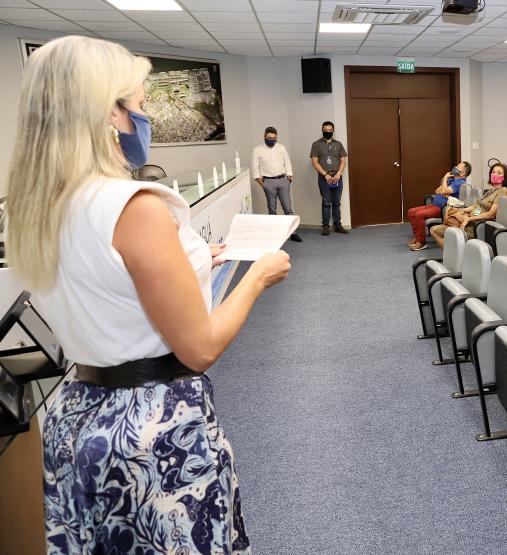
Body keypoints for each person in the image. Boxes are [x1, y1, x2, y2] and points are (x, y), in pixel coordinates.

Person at [5, 36, 291, 554]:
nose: (145, 117)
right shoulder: (133, 206)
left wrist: (203, 258)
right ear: (107, 113)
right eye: (139, 104)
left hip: (80, 415)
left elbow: (114, 287)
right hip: (149, 428)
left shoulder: (42, 206)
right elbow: (199, 348)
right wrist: (257, 277)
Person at [429, 162, 507, 249]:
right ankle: (455, 255)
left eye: (499, 173)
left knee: (438, 231)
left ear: (504, 177)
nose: (495, 174)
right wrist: (463, 210)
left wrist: (469, 218)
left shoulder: (503, 191)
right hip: (469, 221)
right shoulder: (490, 190)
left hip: (475, 227)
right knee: (435, 229)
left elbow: (490, 214)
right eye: (493, 172)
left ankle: (455, 256)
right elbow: (477, 206)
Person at [406, 161, 471, 251]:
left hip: (442, 208)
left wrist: (444, 179)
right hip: (434, 205)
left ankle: (421, 242)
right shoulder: (452, 180)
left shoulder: (460, 183)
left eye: (458, 167)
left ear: (463, 173)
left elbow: (443, 191)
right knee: (411, 212)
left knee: (418, 215)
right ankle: (417, 237)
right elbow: (437, 191)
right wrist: (445, 187)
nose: (455, 167)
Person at [251, 125, 302, 242]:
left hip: (283, 180)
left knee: (288, 208)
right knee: (272, 209)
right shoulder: (257, 150)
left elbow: (287, 162)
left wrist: (289, 177)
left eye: (274, 138)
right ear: (264, 136)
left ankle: (293, 232)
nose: (272, 140)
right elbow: (255, 170)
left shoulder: (281, 148)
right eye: (269, 137)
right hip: (268, 182)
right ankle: (274, 234)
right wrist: (263, 185)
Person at [310, 121, 348, 236]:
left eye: (330, 131)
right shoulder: (316, 144)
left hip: (337, 177)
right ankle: (325, 226)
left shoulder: (338, 144)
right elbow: (314, 162)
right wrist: (325, 174)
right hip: (324, 178)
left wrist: (339, 174)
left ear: (333, 131)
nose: (327, 132)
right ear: (322, 130)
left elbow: (343, 161)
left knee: (336, 203)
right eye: (325, 130)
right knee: (326, 203)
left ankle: (337, 225)